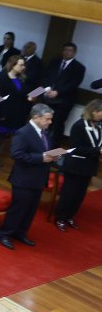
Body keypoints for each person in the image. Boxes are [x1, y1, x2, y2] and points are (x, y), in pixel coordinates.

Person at [0, 104, 59, 249]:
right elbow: (17, 154)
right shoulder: (23, 132)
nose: (50, 122)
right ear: (36, 117)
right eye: (47, 119)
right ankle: (5, 234)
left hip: (38, 178)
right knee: (18, 208)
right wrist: (41, 158)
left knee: (31, 209)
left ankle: (20, 232)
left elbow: (44, 150)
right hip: (24, 179)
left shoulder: (45, 132)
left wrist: (52, 155)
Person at [54, 99, 102, 232]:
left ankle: (69, 216)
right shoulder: (79, 126)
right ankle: (60, 217)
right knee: (69, 193)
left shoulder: (98, 126)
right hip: (76, 165)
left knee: (80, 194)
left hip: (89, 166)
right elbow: (75, 147)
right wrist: (97, 151)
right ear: (94, 111)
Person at [0, 56, 31, 167]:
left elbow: (23, 93)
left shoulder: (21, 78)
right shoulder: (2, 77)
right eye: (21, 65)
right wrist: (1, 113)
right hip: (2, 111)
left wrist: (30, 97)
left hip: (16, 113)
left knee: (3, 136)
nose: (23, 67)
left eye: (23, 65)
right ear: (13, 65)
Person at [42, 43, 86, 145]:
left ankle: (54, 147)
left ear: (74, 52)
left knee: (57, 123)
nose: (67, 52)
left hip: (64, 101)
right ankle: (42, 142)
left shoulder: (79, 67)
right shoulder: (54, 62)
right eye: (65, 50)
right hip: (48, 97)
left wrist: (57, 92)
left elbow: (73, 84)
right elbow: (45, 76)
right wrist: (48, 89)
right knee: (45, 121)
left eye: (70, 50)